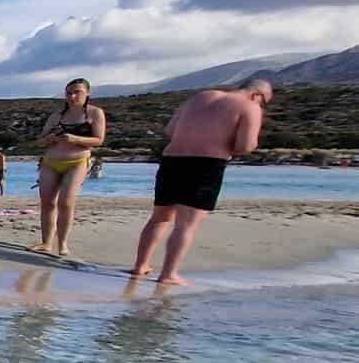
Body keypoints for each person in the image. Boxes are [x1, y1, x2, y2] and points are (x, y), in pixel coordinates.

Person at [130, 80, 271, 285]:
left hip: (173, 159)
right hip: (206, 163)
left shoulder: (201, 96)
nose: (262, 107)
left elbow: (170, 130)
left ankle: (140, 265)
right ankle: (169, 274)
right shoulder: (250, 107)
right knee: (187, 224)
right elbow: (245, 145)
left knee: (160, 217)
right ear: (257, 95)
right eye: (264, 103)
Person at [32, 78, 105, 257]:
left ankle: (62, 243)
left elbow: (98, 139)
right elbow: (39, 141)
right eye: (69, 93)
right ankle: (46, 242)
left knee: (66, 202)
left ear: (87, 93)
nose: (72, 96)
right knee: (47, 202)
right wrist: (50, 139)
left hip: (77, 161)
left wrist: (76, 139)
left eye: (77, 92)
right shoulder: (56, 116)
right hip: (51, 161)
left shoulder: (94, 113)